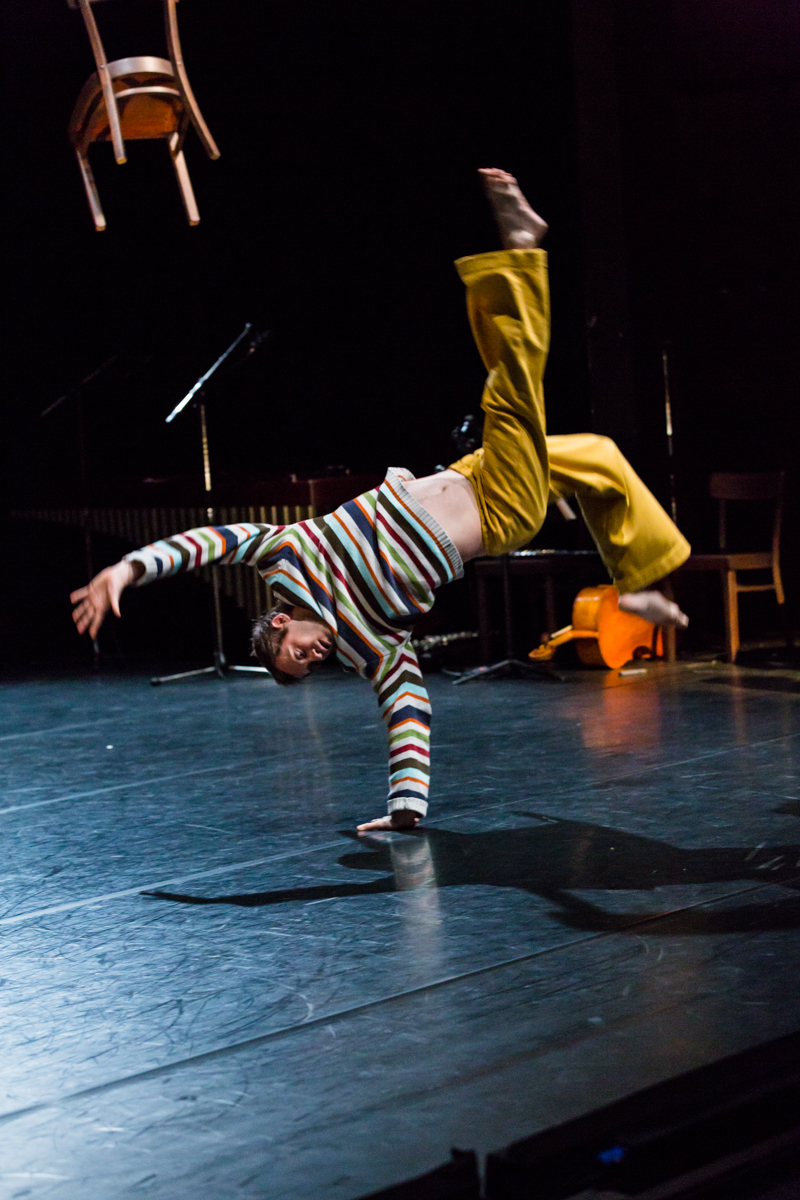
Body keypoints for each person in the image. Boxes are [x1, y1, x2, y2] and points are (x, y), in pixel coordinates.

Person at [71, 168, 690, 834]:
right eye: (310, 668)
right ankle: (521, 251)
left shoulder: (284, 554)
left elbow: (207, 543)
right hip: (500, 509)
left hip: (468, 471)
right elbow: (408, 712)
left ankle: (638, 579)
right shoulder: (371, 645)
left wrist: (126, 569)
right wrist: (405, 810)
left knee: (595, 455)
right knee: (512, 383)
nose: (315, 659)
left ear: (279, 624)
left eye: (299, 654)